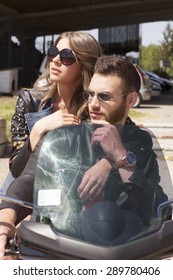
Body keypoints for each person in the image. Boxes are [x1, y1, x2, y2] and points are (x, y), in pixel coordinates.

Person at [0, 55, 170, 257]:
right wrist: (5, 223)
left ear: (131, 100)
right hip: (58, 248)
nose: (93, 104)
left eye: (104, 96)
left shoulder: (140, 144)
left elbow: (158, 208)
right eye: (90, 94)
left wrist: (120, 159)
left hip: (126, 254)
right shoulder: (62, 136)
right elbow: (27, 181)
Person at [1, 30, 103, 190]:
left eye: (67, 57)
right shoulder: (29, 101)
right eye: (53, 52)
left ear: (84, 65)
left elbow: (126, 140)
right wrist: (38, 129)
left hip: (76, 188)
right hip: (29, 183)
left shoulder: (96, 106)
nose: (55, 60)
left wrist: (106, 164)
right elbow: (16, 169)